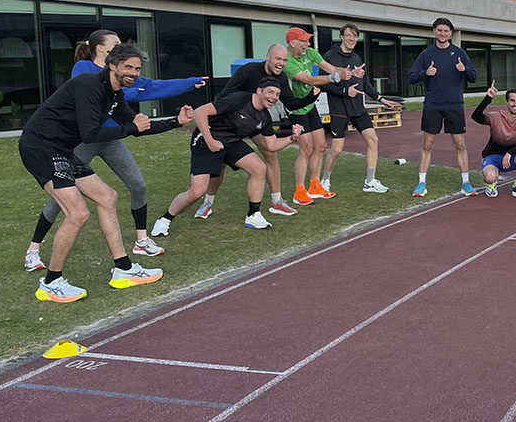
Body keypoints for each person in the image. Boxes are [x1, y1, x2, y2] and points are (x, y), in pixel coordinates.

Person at [17, 43, 193, 302]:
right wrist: (132, 128)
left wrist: (176, 122)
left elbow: (137, 127)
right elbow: (90, 133)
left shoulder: (115, 95)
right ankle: (51, 283)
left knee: (107, 197)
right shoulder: (89, 85)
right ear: (112, 65)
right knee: (77, 213)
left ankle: (123, 269)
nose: (133, 73)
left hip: (61, 149)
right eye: (128, 67)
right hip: (40, 147)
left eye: (137, 69)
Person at [151, 79, 304, 235]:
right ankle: (164, 220)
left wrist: (292, 137)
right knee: (197, 192)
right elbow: (200, 112)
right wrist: (210, 141)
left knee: (259, 168)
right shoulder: (239, 99)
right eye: (270, 92)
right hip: (205, 141)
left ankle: (253, 215)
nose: (274, 97)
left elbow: (271, 145)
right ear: (259, 91)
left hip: (231, 143)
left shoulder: (264, 117)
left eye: (277, 94)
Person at [193, 44, 320, 219]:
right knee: (221, 161)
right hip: (232, 121)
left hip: (256, 121)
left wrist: (312, 96)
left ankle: (277, 201)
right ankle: (208, 203)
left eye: (284, 60)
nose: (281, 63)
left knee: (271, 152)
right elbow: (226, 95)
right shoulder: (249, 70)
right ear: (268, 57)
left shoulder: (281, 77)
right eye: (278, 58)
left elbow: (290, 103)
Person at [320, 23, 401, 195]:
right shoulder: (330, 56)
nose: (352, 39)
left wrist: (381, 99)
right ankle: (325, 180)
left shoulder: (356, 57)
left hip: (358, 108)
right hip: (339, 108)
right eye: (348, 35)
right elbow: (323, 83)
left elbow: (366, 84)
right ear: (341, 36)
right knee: (337, 148)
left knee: (373, 139)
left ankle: (370, 182)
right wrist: (344, 91)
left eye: (355, 36)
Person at [407, 17, 479, 196]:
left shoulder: (459, 53)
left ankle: (466, 183)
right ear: (434, 31)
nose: (442, 33)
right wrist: (425, 73)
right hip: (433, 105)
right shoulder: (426, 54)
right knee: (428, 144)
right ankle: (421, 183)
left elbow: (474, 76)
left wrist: (465, 69)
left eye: (446, 31)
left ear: (450, 33)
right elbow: (411, 77)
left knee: (460, 144)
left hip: (454, 105)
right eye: (439, 30)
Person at [283, 26, 354, 206]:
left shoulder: (310, 52)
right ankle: (299, 191)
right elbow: (310, 80)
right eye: (303, 40)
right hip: (296, 108)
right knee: (306, 149)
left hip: (309, 104)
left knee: (321, 145)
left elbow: (330, 68)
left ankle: (315, 186)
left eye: (308, 40)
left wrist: (347, 72)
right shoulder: (287, 62)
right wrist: (335, 78)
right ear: (292, 43)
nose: (307, 44)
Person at [471, 81, 516, 198]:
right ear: (507, 102)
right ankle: (491, 182)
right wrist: (488, 97)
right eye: (512, 101)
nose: (515, 104)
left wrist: (510, 152)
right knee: (490, 177)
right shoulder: (496, 116)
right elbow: (475, 116)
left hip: (511, 157)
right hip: (492, 156)